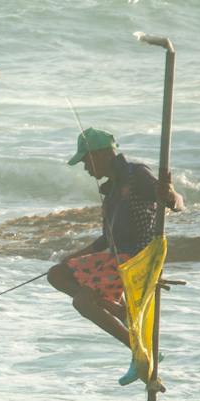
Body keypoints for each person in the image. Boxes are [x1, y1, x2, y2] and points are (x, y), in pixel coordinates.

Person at [47, 127, 183, 350]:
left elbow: (176, 203)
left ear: (100, 155)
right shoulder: (111, 190)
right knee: (57, 274)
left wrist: (170, 195)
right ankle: (121, 311)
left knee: (82, 302)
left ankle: (135, 345)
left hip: (137, 258)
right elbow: (105, 240)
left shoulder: (135, 174)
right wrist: (72, 257)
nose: (85, 167)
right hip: (117, 257)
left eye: (86, 161)